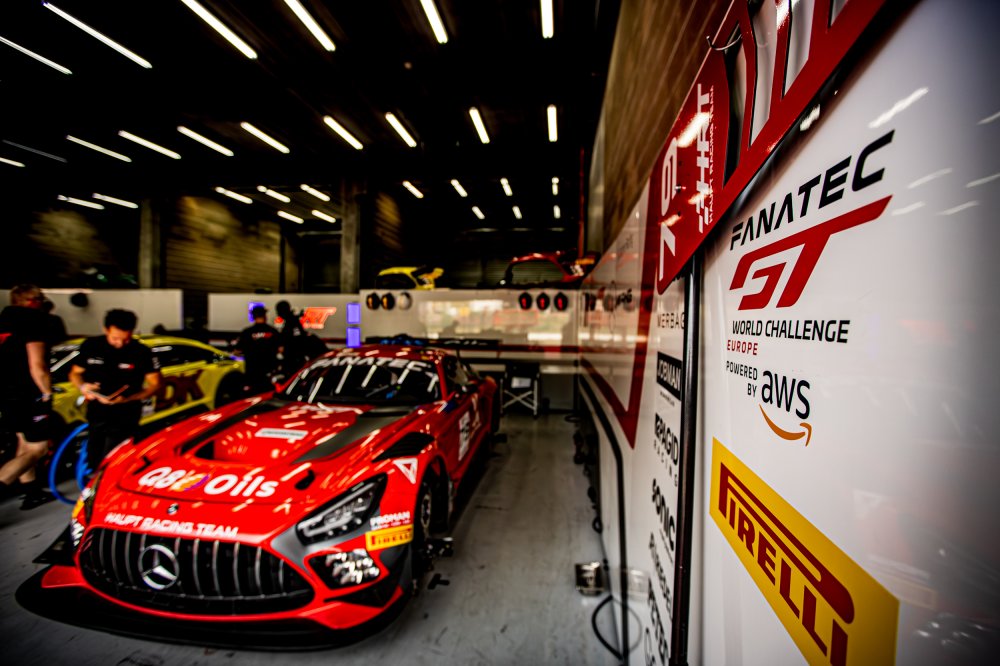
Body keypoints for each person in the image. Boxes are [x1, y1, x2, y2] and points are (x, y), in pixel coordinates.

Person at [68, 309, 162, 466]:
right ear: (106, 330)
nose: (120, 343)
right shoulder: (91, 346)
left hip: (126, 413)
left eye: (126, 339)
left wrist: (129, 398)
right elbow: (75, 374)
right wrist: (83, 387)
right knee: (94, 458)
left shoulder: (141, 352)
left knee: (115, 459)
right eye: (115, 338)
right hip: (96, 411)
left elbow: (156, 384)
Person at [0, 284, 56, 509]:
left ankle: (32, 492)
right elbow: (37, 365)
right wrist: (47, 392)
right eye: (39, 298)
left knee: (24, 443)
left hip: (6, 393)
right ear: (30, 301)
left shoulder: (3, 320)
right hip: (28, 393)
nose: (42, 302)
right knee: (38, 449)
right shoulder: (33, 320)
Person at [234, 305, 280, 395]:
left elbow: (237, 352)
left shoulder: (247, 332)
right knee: (268, 395)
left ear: (253, 317)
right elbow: (281, 349)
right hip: (269, 372)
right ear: (265, 316)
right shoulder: (273, 331)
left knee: (252, 396)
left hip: (252, 373)